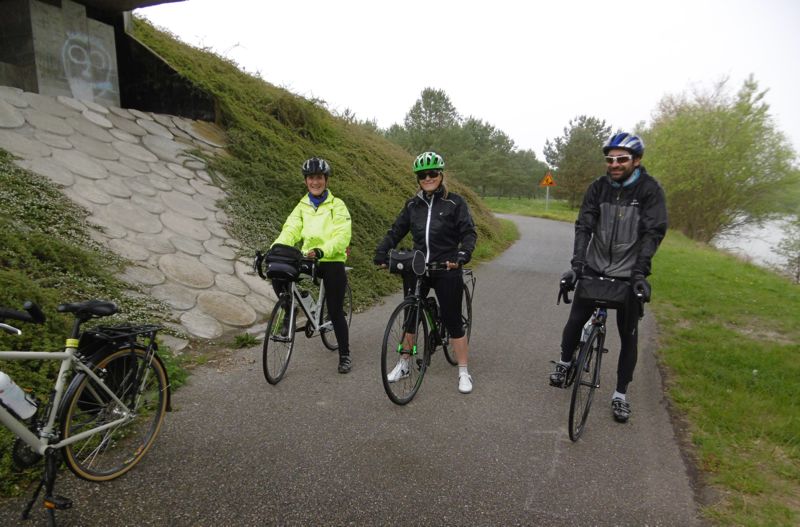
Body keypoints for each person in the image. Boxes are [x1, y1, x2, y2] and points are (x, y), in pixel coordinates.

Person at [549, 132, 668, 422]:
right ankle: (565, 363)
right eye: (610, 159)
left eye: (622, 159)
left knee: (629, 335)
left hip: (629, 274)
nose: (614, 164)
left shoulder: (650, 190)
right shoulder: (598, 188)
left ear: (636, 161)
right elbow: (584, 227)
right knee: (575, 319)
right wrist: (577, 267)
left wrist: (640, 273)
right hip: (594, 267)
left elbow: (653, 232)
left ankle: (620, 395)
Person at [374, 151, 478, 394]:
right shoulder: (413, 205)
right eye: (423, 175)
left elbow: (468, 233)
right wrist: (381, 251)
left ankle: (463, 371)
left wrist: (462, 255)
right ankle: (404, 364)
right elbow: (395, 231)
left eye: (433, 173)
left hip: (446, 266)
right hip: (418, 267)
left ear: (441, 175)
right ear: (418, 179)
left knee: (453, 320)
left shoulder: (455, 203)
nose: (428, 178)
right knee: (411, 316)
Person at [271, 157, 353, 373]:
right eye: (310, 178)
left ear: (325, 180)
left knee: (335, 310)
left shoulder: (337, 205)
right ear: (306, 181)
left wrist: (322, 250)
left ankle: (345, 354)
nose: (314, 182)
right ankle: (291, 306)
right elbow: (291, 229)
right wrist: (277, 248)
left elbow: (342, 236)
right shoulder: (302, 205)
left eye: (318, 178)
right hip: (307, 259)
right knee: (278, 272)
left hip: (331, 259)